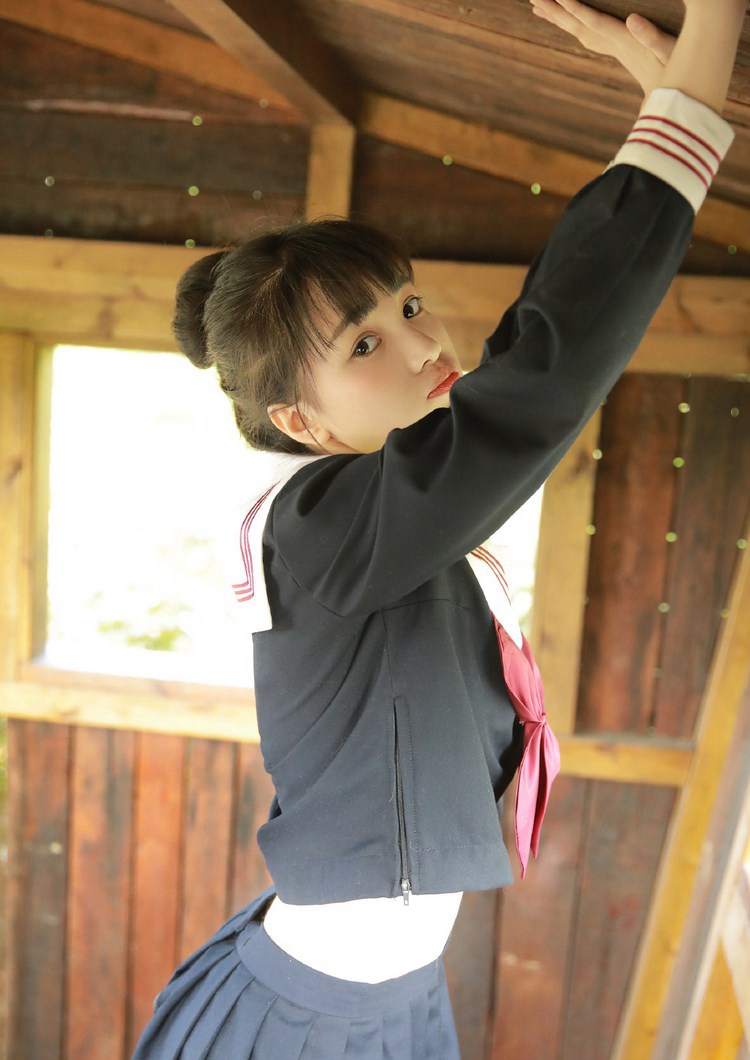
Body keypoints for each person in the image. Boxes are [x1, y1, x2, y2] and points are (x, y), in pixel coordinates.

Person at [132, 2, 745, 1057]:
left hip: (391, 994)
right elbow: (541, 373)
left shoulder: (383, 520)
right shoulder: (321, 530)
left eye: (408, 304)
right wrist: (699, 60)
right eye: (364, 342)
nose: (421, 343)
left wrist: (665, 97)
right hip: (308, 1014)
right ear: (303, 423)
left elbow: (515, 374)